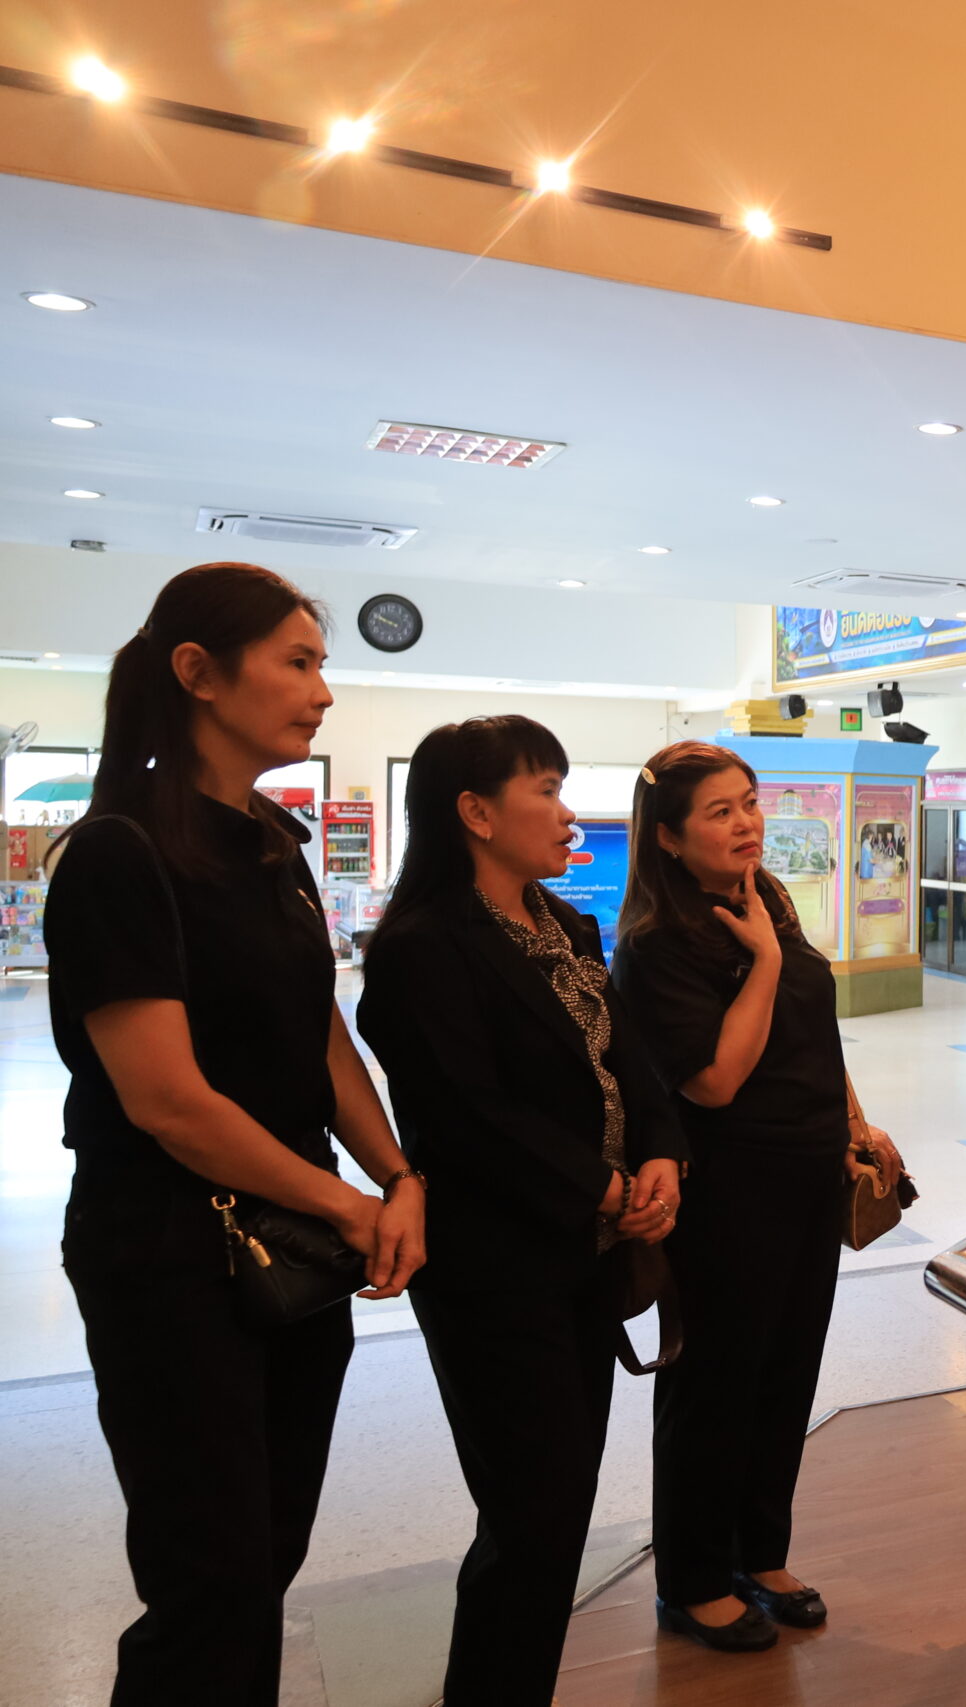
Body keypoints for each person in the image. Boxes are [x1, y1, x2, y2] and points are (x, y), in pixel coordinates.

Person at [45, 562, 426, 1706]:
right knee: (207, 1581)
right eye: (298, 663)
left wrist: (396, 1174)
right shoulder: (119, 852)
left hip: (294, 1245)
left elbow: (320, 1033)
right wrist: (347, 1204)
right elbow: (168, 1101)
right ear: (198, 674)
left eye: (323, 665)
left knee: (266, 1557)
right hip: (169, 1250)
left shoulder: (271, 839)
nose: (323, 691)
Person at [357, 716, 687, 1706]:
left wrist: (660, 1153)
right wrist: (602, 1186)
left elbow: (627, 1058)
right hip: (496, 1269)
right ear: (475, 812)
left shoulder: (565, 925)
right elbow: (465, 1113)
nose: (566, 810)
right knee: (530, 1514)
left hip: (587, 1256)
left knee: (560, 1503)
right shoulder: (422, 947)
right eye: (544, 788)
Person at [614, 742, 904, 1652]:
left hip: (809, 1168)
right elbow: (713, 1081)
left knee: (786, 1370)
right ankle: (693, 1577)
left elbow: (812, 1025)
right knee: (715, 1382)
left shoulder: (765, 896)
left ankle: (759, 1552)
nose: (747, 823)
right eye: (720, 811)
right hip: (728, 1188)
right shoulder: (657, 943)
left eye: (749, 802)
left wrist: (854, 1120)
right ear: (667, 837)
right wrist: (767, 963)